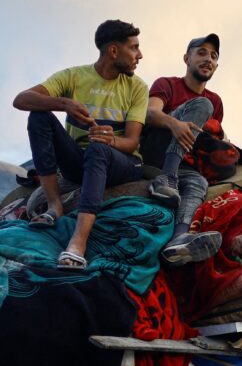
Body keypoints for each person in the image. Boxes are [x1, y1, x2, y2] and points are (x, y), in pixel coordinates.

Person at [12, 19, 150, 270]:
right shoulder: (73, 76)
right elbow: (21, 100)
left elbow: (131, 143)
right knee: (39, 116)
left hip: (123, 163)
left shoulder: (137, 87)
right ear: (113, 51)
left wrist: (112, 140)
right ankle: (55, 205)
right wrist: (63, 104)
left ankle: (78, 243)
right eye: (134, 48)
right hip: (81, 162)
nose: (139, 55)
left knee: (99, 149)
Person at [141, 33, 228, 265]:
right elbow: (150, 114)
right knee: (202, 105)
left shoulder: (217, 101)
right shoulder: (167, 84)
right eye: (201, 53)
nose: (208, 59)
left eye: (213, 56)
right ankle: (166, 178)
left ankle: (179, 238)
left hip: (184, 164)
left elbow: (214, 137)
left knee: (198, 183)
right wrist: (175, 124)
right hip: (156, 152)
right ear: (186, 58)